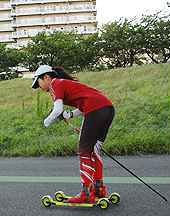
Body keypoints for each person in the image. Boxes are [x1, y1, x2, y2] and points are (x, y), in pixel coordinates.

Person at [31, 65, 115, 203]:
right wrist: (69, 114)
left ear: (46, 77)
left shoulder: (55, 83)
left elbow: (57, 109)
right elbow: (83, 105)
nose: (39, 87)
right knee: (94, 149)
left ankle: (86, 193)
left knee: (84, 151)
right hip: (107, 108)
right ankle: (98, 189)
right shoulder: (65, 84)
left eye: (38, 82)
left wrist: (47, 121)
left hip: (95, 109)